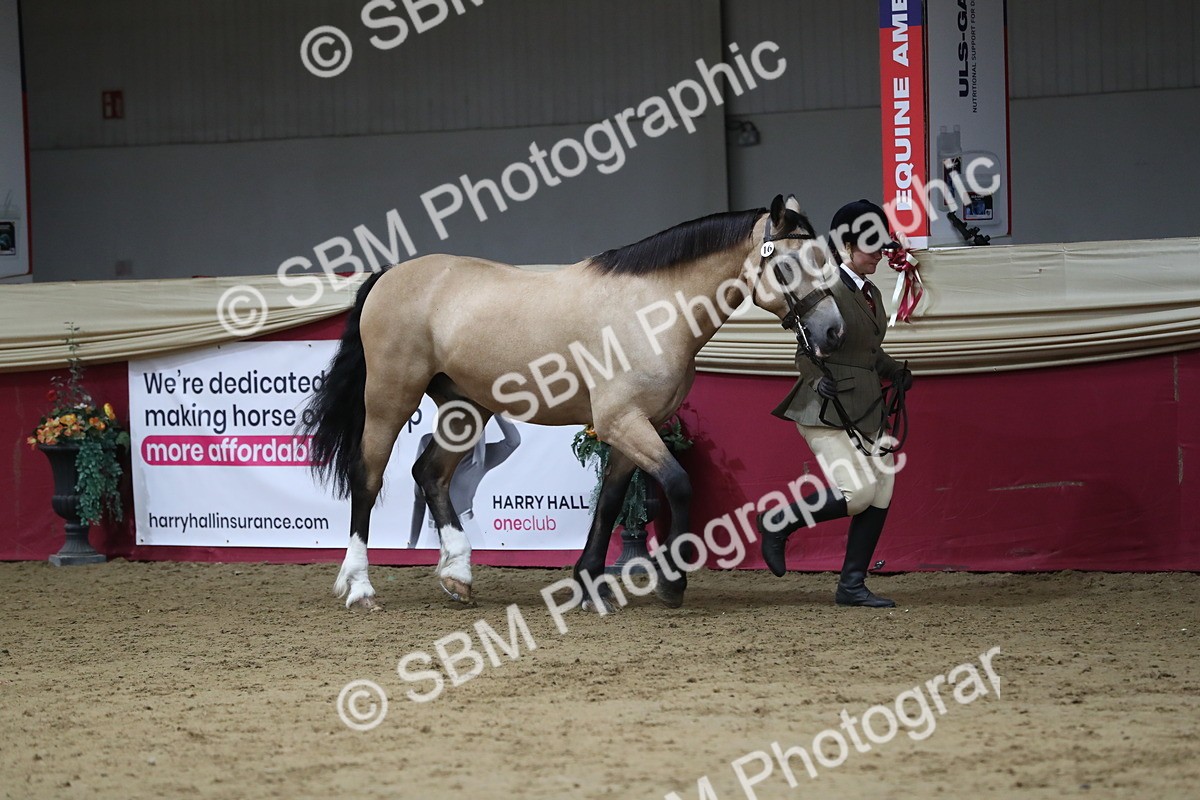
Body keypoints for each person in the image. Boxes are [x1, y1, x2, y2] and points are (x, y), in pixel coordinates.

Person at [759, 199, 914, 607]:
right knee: (857, 492)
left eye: (882, 247)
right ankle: (778, 522)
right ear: (846, 245)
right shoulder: (825, 286)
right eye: (871, 248)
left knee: (883, 487)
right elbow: (804, 350)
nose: (878, 256)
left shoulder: (872, 293)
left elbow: (868, 351)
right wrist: (816, 377)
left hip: (865, 406)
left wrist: (894, 371)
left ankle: (851, 585)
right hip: (824, 406)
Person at [409, 415, 521, 549]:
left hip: (468, 531)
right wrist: (412, 546)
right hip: (434, 533)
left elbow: (514, 441)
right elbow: (419, 499)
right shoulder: (427, 443)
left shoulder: (480, 456)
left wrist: (495, 409)